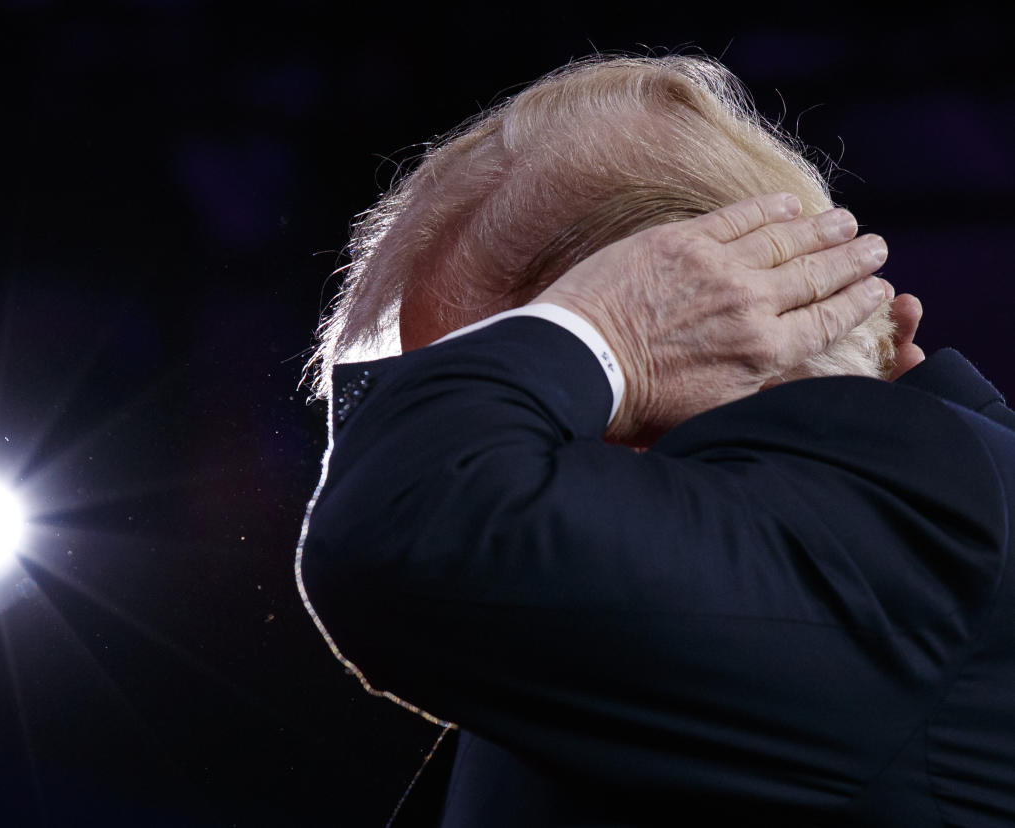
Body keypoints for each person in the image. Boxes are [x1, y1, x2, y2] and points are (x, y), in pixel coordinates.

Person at [297, 55, 1015, 826]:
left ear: (706, 322)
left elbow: (402, 530)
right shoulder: (881, 517)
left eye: (527, 385)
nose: (447, 427)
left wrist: (616, 337)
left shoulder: (908, 514)